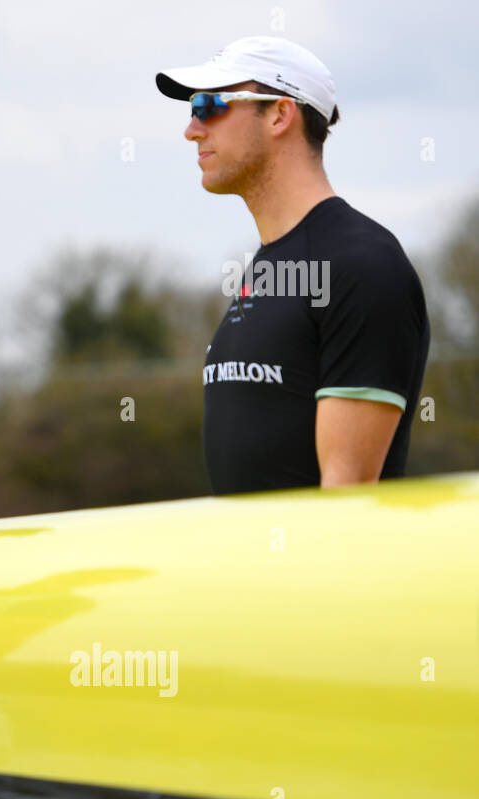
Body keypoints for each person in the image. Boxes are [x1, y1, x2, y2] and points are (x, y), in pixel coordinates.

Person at [156, 36, 429, 494]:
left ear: (280, 114)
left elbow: (347, 501)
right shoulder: (268, 267)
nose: (192, 129)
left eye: (208, 105)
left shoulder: (363, 264)